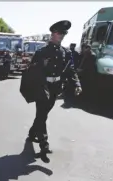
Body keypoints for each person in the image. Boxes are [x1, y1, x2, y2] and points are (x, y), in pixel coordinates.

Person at [27, 20, 82, 156]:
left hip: (55, 88)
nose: (62, 35)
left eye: (64, 33)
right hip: (43, 87)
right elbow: (31, 71)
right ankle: (44, 145)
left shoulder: (66, 52)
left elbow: (71, 70)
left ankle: (32, 132)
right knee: (42, 114)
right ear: (53, 34)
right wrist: (41, 66)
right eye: (60, 33)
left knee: (42, 114)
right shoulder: (41, 52)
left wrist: (77, 84)